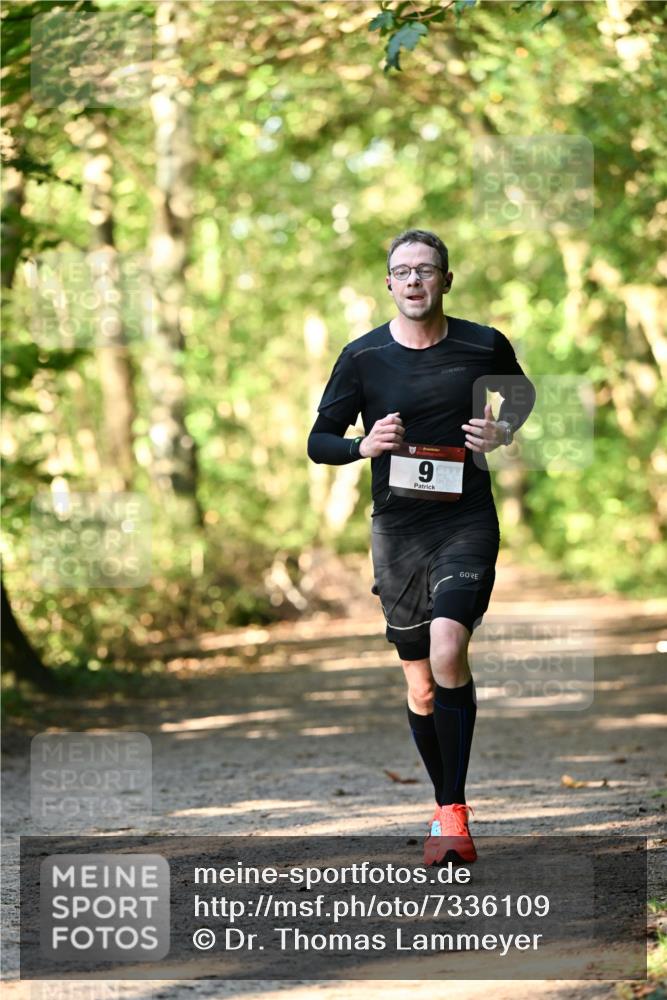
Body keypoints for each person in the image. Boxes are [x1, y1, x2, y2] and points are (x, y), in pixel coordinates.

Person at [307, 229, 536, 865]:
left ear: (446, 280)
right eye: (403, 271)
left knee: (448, 647)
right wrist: (362, 445)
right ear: (389, 283)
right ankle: (443, 805)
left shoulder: (482, 344)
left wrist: (501, 431)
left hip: (466, 522)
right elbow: (319, 441)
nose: (414, 280)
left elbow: (520, 395)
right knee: (422, 687)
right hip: (398, 533)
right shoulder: (363, 357)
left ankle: (454, 814)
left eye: (426, 270)